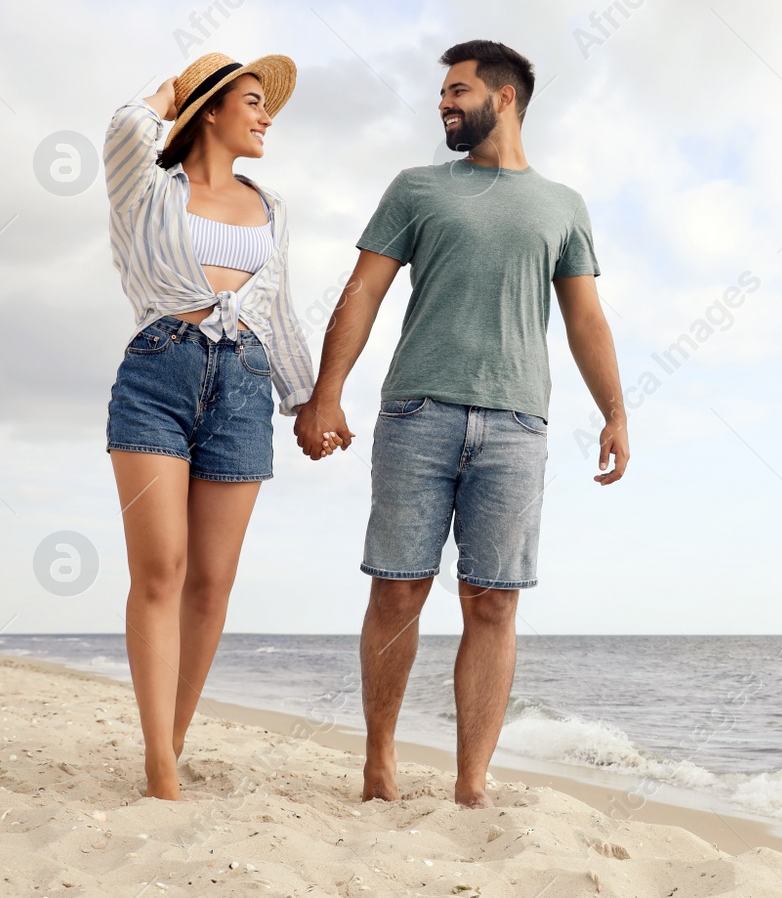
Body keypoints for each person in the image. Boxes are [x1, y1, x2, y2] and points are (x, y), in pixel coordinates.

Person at [293, 40, 629, 808]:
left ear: (503, 98)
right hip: (418, 410)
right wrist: (327, 392)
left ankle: (471, 782)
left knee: (495, 600)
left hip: (517, 423)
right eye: (442, 93)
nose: (443, 103)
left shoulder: (562, 205)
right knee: (399, 589)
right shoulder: (416, 188)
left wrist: (614, 411)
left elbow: (585, 317)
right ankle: (380, 759)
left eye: (458, 90)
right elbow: (363, 290)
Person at [103, 52, 319, 800]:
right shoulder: (149, 189)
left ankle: (174, 738)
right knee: (161, 569)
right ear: (209, 111)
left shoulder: (274, 206)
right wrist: (170, 89)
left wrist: (308, 398)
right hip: (158, 374)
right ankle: (161, 769)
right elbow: (128, 126)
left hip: (246, 386)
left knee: (212, 583)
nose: (266, 118)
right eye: (253, 101)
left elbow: (278, 309)